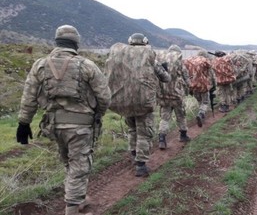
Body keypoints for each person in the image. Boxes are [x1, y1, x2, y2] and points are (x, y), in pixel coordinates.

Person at [16, 25, 111, 215]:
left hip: (54, 126)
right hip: (81, 126)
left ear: (57, 42)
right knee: (79, 166)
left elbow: (29, 97)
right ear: (76, 43)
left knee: (69, 162)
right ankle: (72, 209)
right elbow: (105, 96)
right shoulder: (87, 65)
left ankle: (79, 198)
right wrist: (98, 114)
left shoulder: (40, 65)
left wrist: (23, 123)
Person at [105, 33, 170, 177]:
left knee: (132, 129)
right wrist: (164, 69)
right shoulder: (149, 54)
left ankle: (134, 154)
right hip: (143, 101)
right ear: (145, 42)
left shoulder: (119, 55)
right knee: (144, 132)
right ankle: (141, 165)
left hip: (123, 101)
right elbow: (165, 78)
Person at [156, 44, 191, 149]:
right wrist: (190, 87)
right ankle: (183, 135)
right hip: (176, 94)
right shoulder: (179, 61)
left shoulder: (161, 61)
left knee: (165, 118)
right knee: (181, 115)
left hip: (163, 95)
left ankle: (162, 138)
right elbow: (186, 77)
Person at [183, 49, 216, 127]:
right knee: (205, 102)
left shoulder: (190, 61)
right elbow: (212, 76)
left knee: (199, 101)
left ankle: (201, 114)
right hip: (203, 85)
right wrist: (214, 85)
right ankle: (201, 114)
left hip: (193, 85)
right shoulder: (205, 62)